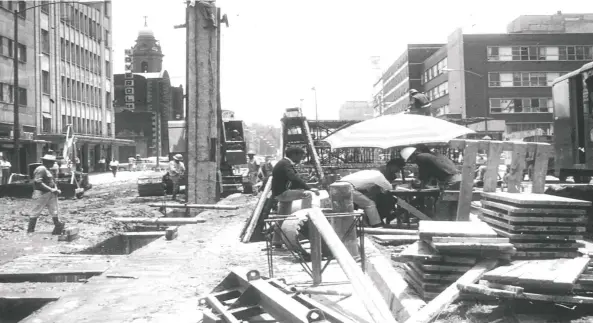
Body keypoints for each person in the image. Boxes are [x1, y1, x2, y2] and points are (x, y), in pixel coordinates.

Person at [269, 146, 319, 247]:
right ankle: (305, 218)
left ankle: (276, 240)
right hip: (283, 193)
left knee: (283, 217)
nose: (302, 158)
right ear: (294, 155)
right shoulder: (285, 164)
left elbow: (293, 181)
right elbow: (294, 178)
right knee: (308, 194)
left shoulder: (283, 163)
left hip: (280, 193)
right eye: (301, 156)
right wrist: (308, 188)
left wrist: (303, 187)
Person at [339, 159, 403, 227]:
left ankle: (367, 223)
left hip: (339, 185)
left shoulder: (370, 173)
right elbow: (389, 188)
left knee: (364, 203)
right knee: (370, 204)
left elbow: (366, 188)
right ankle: (376, 225)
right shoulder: (379, 176)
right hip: (347, 187)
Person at [23, 154, 64, 234]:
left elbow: (51, 181)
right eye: (51, 162)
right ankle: (30, 230)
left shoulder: (48, 170)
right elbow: (38, 182)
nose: (53, 163)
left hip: (50, 193)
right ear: (46, 162)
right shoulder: (41, 169)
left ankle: (58, 226)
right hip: (41, 193)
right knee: (36, 211)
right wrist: (51, 189)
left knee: (54, 210)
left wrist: (55, 188)